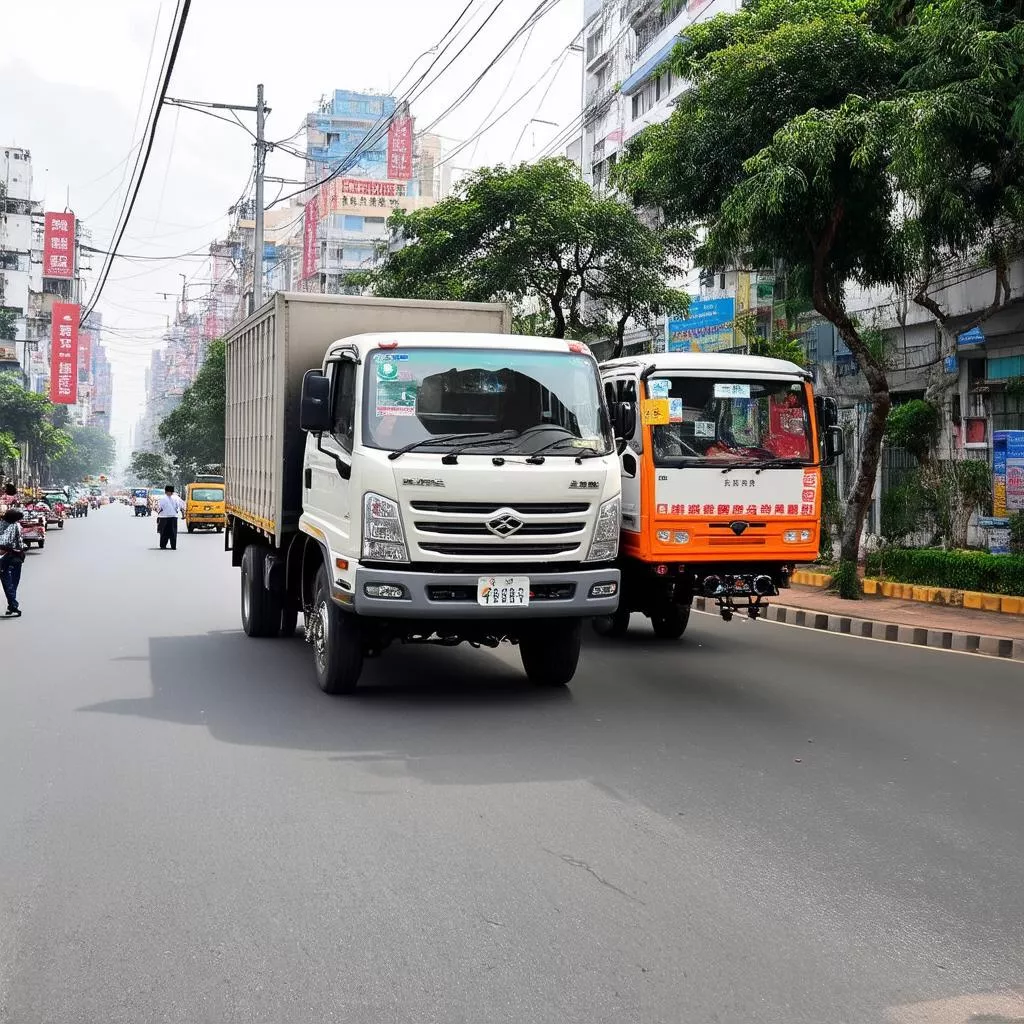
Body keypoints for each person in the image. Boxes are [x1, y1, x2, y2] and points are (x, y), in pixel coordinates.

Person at [0, 508, 26, 617]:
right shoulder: (14, 526)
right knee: (12, 582)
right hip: (11, 556)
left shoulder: (4, 524)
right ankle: (13, 604)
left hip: (8, 557)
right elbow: (12, 542)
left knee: (8, 582)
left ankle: (12, 604)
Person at [156, 484, 185, 550]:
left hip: (166, 517)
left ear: (165, 491)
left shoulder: (163, 498)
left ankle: (164, 545)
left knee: (165, 532)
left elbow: (157, 507)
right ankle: (171, 546)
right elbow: (182, 506)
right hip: (169, 517)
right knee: (171, 532)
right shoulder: (175, 498)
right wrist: (183, 514)